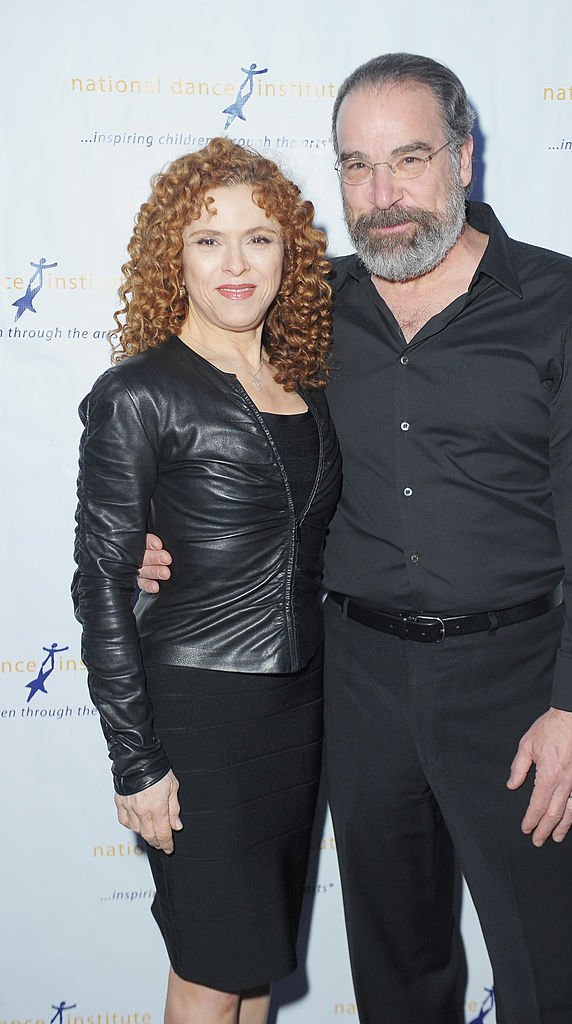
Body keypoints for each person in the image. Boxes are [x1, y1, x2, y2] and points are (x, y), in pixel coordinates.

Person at [140, 55, 572, 1024]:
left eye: (408, 160)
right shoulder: (304, 309)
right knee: (398, 971)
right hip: (357, 678)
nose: (383, 197)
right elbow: (221, 442)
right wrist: (157, 530)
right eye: (356, 167)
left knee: (554, 978)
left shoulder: (561, 303)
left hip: (521, 686)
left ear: (463, 156)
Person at [73, 138, 340, 1024]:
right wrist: (137, 760)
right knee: (210, 967)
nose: (235, 263)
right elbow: (102, 588)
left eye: (259, 238)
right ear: (172, 256)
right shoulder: (138, 394)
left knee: (255, 965)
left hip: (298, 712)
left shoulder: (307, 387)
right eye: (207, 239)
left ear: (289, 255)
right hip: (198, 716)